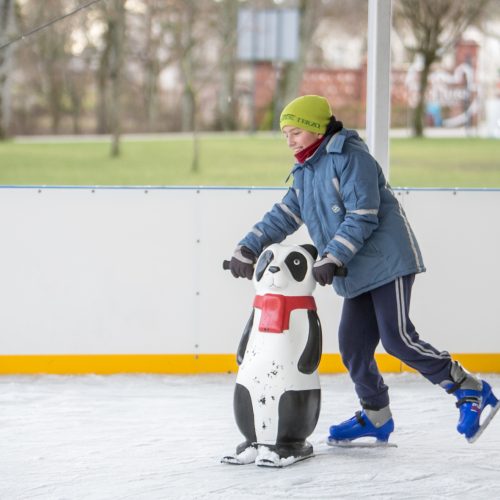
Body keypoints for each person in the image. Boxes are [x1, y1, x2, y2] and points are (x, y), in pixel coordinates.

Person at [228, 94, 499, 445]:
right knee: (353, 347)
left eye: (295, 132)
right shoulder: (306, 170)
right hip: (355, 270)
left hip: (388, 263)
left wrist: (332, 258)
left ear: (315, 128)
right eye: (285, 134)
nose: (289, 140)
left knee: (397, 339)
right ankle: (376, 416)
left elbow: (362, 215)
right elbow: (285, 214)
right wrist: (248, 246)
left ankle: (469, 388)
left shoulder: (352, 158)